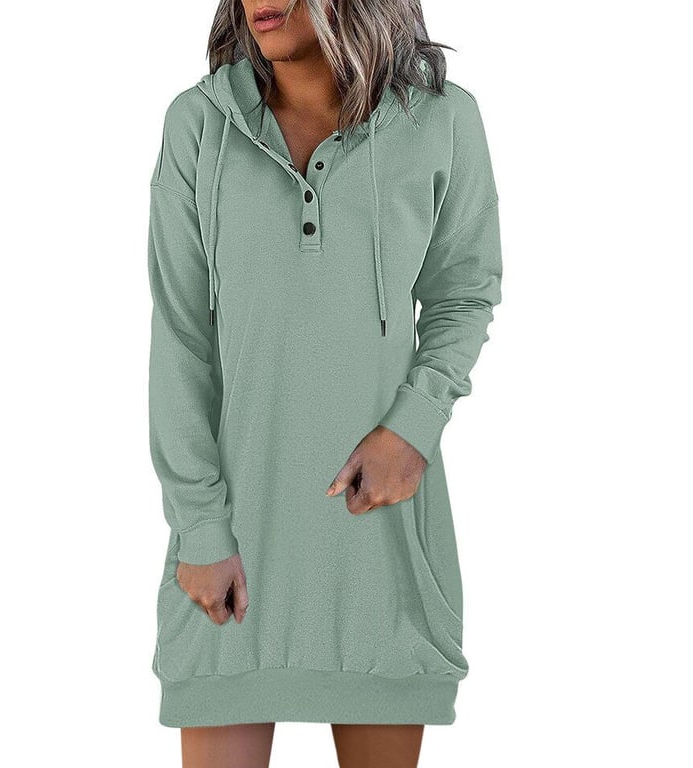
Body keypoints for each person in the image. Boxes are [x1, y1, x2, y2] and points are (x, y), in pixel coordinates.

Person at [146, 1, 502, 765]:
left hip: (380, 542)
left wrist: (413, 426)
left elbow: (464, 292)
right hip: (231, 548)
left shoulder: (441, 121)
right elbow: (180, 338)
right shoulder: (198, 124)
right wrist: (200, 526)